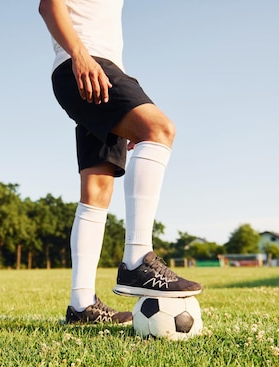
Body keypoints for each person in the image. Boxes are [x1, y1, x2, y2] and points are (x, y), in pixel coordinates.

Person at [39, 0, 203, 325]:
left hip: (99, 70)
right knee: (159, 129)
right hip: (86, 66)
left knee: (97, 189)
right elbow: (49, 5)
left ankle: (81, 305)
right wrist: (80, 56)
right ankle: (137, 260)